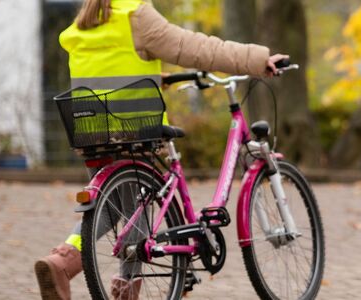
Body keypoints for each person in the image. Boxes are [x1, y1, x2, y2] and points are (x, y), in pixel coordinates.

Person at [34, 0, 288, 299]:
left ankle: (66, 259)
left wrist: (158, 78)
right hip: (133, 127)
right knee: (136, 212)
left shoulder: (86, 20)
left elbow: (112, 65)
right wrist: (258, 59)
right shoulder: (135, 13)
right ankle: (100, 277)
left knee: (113, 206)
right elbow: (192, 46)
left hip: (92, 130)